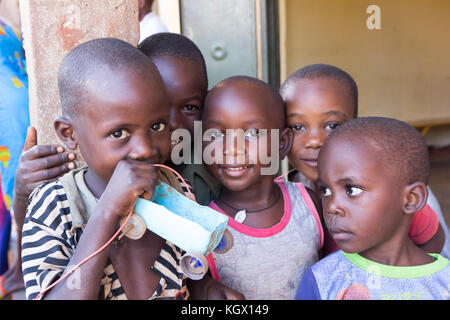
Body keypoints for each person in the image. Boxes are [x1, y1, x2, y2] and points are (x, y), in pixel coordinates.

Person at [20, 38, 240, 300]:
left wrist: (205, 288)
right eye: (119, 132)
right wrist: (108, 211)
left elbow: (184, 272)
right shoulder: (56, 206)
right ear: (69, 134)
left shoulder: (174, 187)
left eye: (157, 126)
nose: (145, 149)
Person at [279, 63, 447, 257]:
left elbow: (432, 239)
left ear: (356, 124)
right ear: (283, 136)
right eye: (297, 127)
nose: (314, 141)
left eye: (332, 125)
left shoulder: (387, 192)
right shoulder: (277, 198)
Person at [296, 117, 450, 300]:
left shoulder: (444, 282)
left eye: (352, 190)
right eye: (325, 190)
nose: (332, 206)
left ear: (411, 199)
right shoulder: (322, 280)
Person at [202, 76, 324, 299]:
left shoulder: (308, 204)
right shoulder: (204, 228)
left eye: (253, 133)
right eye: (216, 134)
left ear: (282, 143)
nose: (232, 149)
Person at [139, 32, 221, 206]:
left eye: (189, 108)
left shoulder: (218, 165)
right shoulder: (120, 163)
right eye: (160, 105)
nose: (174, 123)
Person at [0, 14, 29, 298]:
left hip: (11, 113)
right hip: (16, 105)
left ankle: (21, 268)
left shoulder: (5, 23)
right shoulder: (6, 23)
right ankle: (19, 268)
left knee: (17, 186)